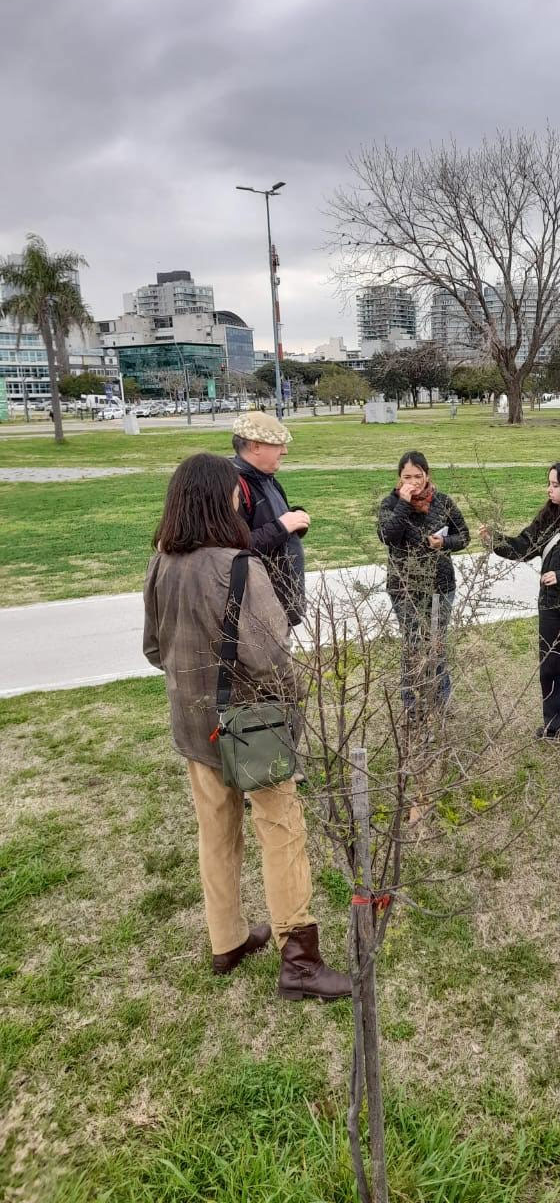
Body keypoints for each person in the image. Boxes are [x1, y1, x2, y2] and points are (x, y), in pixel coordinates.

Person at [143, 453, 350, 1001]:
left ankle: (227, 939)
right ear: (222, 499)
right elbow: (272, 655)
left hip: (193, 728)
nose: (243, 498)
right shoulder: (239, 567)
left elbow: (152, 649)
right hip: (254, 725)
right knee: (282, 831)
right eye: (236, 492)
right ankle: (299, 961)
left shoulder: (159, 563)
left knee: (216, 835)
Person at [480, 462, 560, 739]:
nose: (549, 490)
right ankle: (554, 725)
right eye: (549, 484)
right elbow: (524, 546)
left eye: (556, 485)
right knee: (551, 665)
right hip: (549, 605)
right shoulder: (549, 516)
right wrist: (494, 541)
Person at [377, 450, 470, 717]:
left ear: (427, 475)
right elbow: (387, 536)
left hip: (440, 584)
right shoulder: (390, 504)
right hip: (404, 586)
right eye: (407, 476)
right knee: (413, 641)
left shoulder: (442, 502)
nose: (413, 482)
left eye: (418, 476)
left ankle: (441, 700)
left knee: (437, 642)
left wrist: (445, 543)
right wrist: (404, 504)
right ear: (399, 478)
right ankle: (411, 703)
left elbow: (463, 535)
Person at [231, 411, 310, 627]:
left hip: (280, 601)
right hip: (258, 608)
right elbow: (232, 548)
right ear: (256, 446)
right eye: (278, 445)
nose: (285, 451)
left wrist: (293, 522)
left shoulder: (267, 479)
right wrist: (282, 526)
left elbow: (269, 526)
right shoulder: (233, 487)